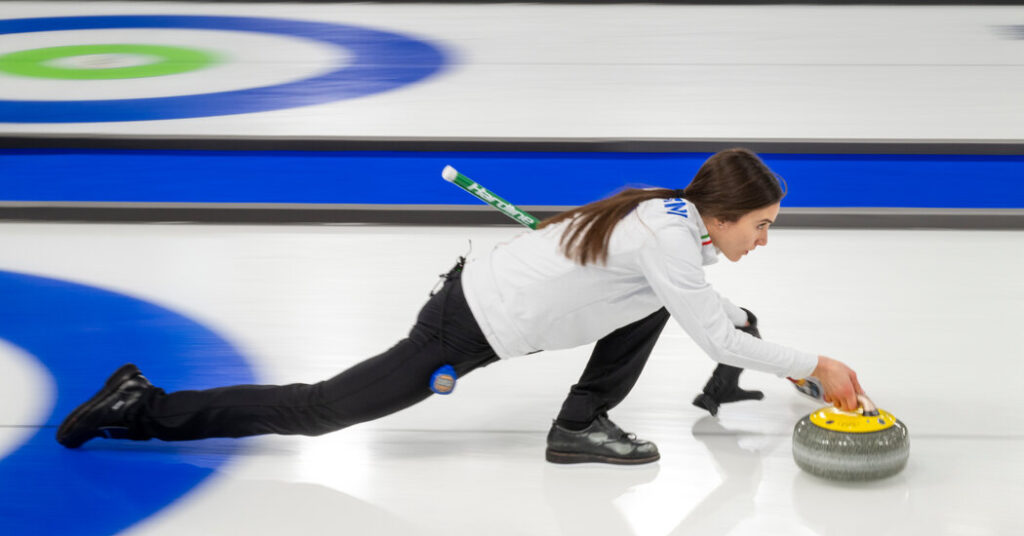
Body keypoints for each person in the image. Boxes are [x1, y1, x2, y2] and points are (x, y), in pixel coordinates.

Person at [57, 148, 863, 465]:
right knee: (318, 412)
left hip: (486, 300)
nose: (764, 239)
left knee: (659, 306)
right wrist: (817, 367)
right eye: (760, 226)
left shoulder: (671, 219)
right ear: (721, 216)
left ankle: (580, 424)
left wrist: (754, 365)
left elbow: (704, 312)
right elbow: (712, 321)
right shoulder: (670, 241)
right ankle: (144, 407)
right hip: (465, 326)